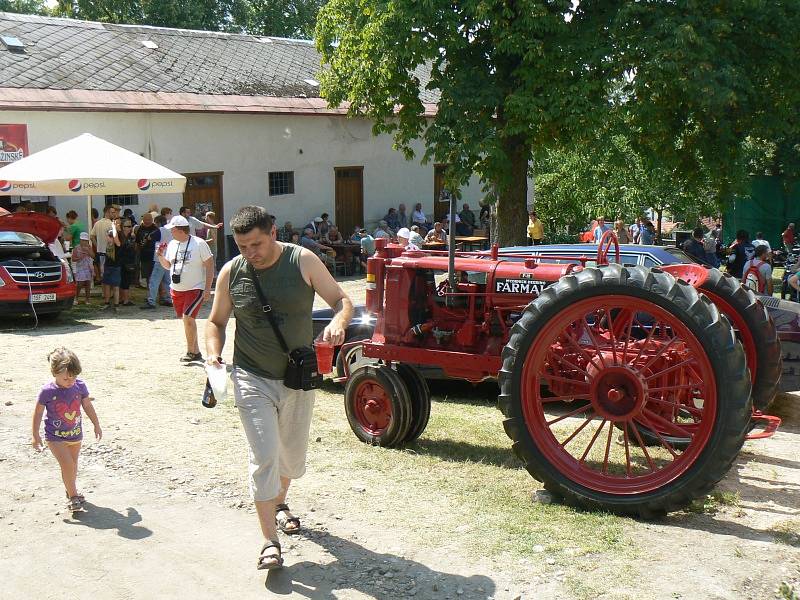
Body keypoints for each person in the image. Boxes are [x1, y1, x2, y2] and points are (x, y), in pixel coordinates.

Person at [205, 205, 353, 571]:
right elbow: (215, 322)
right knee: (265, 456)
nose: (250, 253)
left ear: (273, 232)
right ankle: (269, 541)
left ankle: (280, 501)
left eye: (255, 243)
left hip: (296, 379)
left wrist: (339, 321)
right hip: (251, 376)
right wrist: (212, 355)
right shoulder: (231, 272)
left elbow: (342, 300)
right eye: (242, 246)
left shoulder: (302, 261)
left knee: (290, 458)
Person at [31, 348, 101, 512]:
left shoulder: (80, 386)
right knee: (68, 464)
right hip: (55, 437)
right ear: (54, 372)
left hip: (75, 434)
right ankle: (73, 496)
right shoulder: (47, 391)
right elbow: (38, 412)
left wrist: (96, 424)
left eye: (74, 376)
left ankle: (70, 490)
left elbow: (87, 405)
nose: (71, 380)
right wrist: (35, 435)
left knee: (72, 466)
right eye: (66, 378)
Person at [156, 215, 215, 361]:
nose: (171, 232)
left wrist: (207, 289)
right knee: (187, 320)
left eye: (172, 230)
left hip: (196, 287)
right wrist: (160, 256)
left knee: (188, 318)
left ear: (180, 230)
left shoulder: (199, 243)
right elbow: (168, 266)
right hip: (176, 288)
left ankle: (190, 352)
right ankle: (196, 351)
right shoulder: (172, 244)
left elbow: (210, 265)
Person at [141, 214, 173, 309]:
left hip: (160, 259)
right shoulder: (171, 230)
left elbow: (150, 237)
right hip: (169, 258)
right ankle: (169, 299)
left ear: (158, 223)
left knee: (154, 281)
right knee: (168, 281)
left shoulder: (160, 230)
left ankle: (151, 301)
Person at [100, 218, 122, 312]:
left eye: (109, 237)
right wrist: (102, 266)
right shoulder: (108, 246)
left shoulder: (117, 245)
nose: (107, 238)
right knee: (107, 286)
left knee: (116, 287)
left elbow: (116, 238)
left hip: (116, 267)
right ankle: (107, 303)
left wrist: (114, 226)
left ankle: (116, 305)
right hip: (108, 266)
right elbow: (106, 257)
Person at [90, 204, 117, 278]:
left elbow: (92, 236)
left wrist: (97, 245)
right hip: (109, 252)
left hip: (100, 252)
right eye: (112, 212)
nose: (114, 214)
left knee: (103, 274)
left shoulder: (97, 223)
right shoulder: (111, 224)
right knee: (110, 275)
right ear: (107, 213)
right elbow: (114, 239)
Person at [134, 212, 159, 288]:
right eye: (146, 220)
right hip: (143, 255)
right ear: (143, 220)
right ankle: (149, 288)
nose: (148, 221)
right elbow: (137, 242)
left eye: (149, 220)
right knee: (147, 274)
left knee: (154, 274)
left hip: (154, 255)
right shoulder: (140, 229)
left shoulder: (156, 229)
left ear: (152, 220)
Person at [117, 219, 137, 306]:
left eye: (131, 226)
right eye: (128, 226)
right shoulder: (120, 237)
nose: (130, 228)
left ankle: (122, 299)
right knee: (125, 281)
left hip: (127, 262)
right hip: (123, 262)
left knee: (124, 281)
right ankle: (125, 300)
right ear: (123, 227)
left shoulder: (130, 237)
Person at [71, 232, 95, 305]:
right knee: (80, 283)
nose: (84, 242)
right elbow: (73, 258)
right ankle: (76, 297)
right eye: (83, 240)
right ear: (80, 240)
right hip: (80, 268)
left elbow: (93, 256)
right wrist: (79, 258)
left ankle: (87, 299)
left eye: (85, 240)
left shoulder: (89, 247)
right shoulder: (76, 248)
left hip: (88, 267)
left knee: (88, 283)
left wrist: (88, 252)